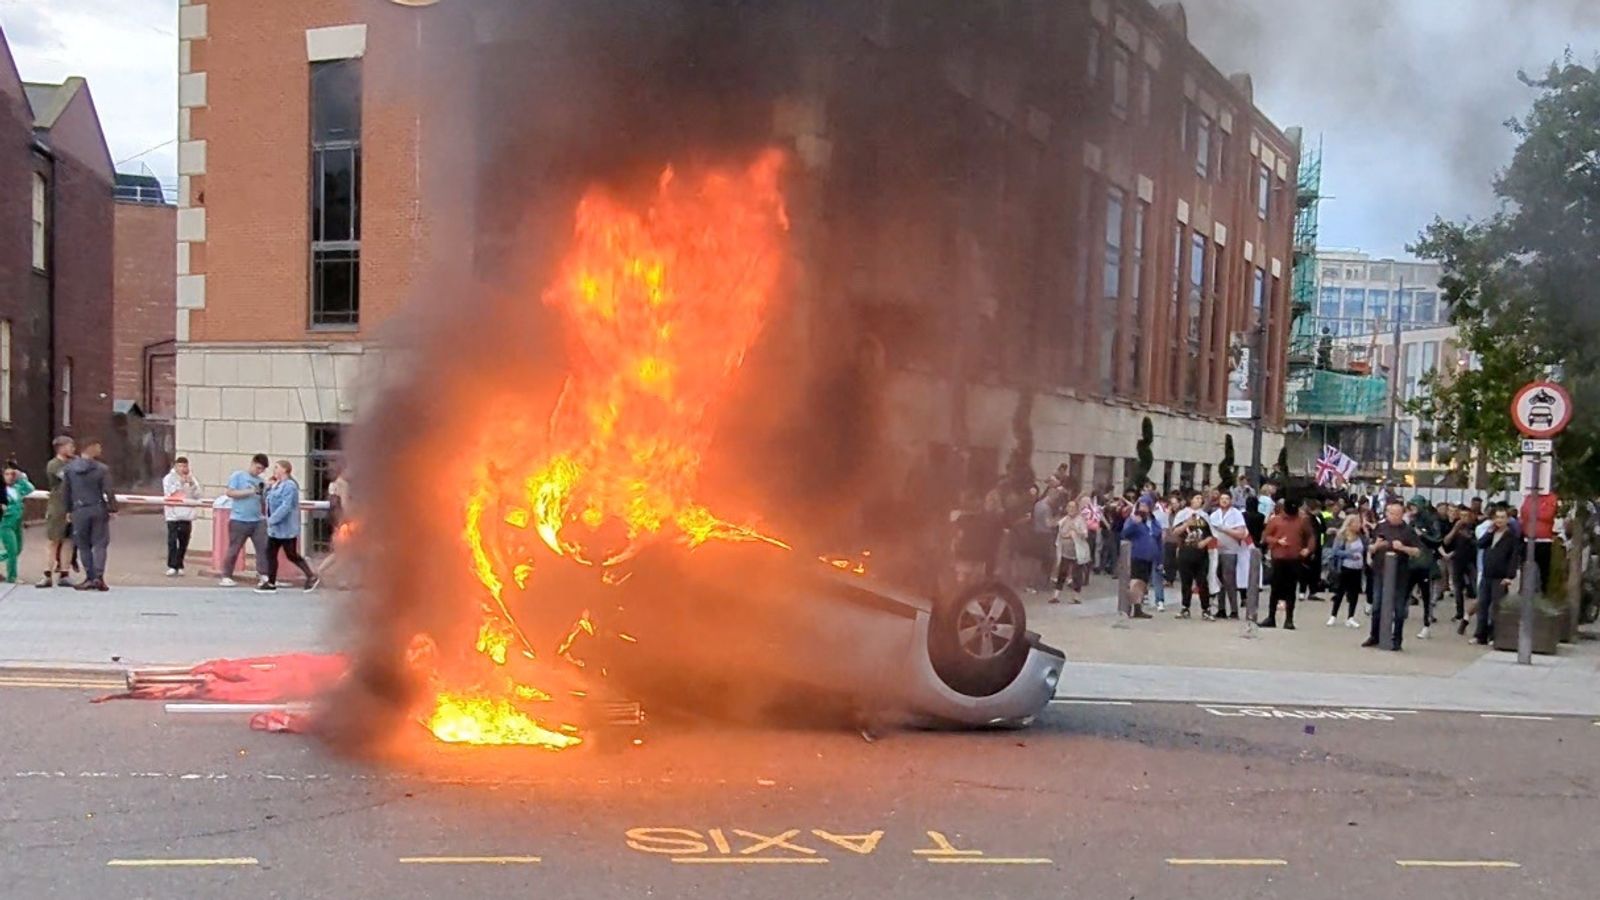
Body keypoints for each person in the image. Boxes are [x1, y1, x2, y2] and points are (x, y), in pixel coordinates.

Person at [1362, 500, 1424, 650]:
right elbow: (1370, 547)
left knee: (1399, 608)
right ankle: (1374, 635)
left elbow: (1417, 552)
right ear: (1387, 513)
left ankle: (1397, 639)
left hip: (1400, 574)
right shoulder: (1380, 527)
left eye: (1398, 514)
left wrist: (1402, 548)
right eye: (1392, 513)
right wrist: (1376, 547)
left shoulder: (1408, 530)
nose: (1395, 516)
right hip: (1380, 571)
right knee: (1376, 605)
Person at [61, 439, 117, 591]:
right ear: (91, 448)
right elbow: (108, 490)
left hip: (79, 510)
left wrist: (67, 510)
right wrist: (112, 508)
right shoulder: (102, 469)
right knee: (100, 543)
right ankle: (99, 577)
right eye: (98, 447)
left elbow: (66, 491)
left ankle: (89, 577)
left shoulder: (69, 469)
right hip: (98, 507)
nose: (100, 450)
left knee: (83, 545)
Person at [258, 460, 319, 593]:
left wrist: (272, 519)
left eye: (276, 467)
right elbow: (267, 500)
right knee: (270, 553)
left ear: (285, 470)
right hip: (275, 529)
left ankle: (311, 576)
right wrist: (267, 488)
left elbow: (286, 506)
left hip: (286, 528)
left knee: (291, 554)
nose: (274, 470)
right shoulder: (277, 485)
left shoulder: (290, 486)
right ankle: (271, 582)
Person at [1259, 499, 1314, 629]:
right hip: (1278, 558)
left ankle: (1289, 619)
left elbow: (1311, 536)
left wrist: (1308, 549)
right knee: (1275, 589)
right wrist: (1277, 541)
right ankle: (1271, 617)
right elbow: (1266, 537)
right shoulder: (1275, 520)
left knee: (1291, 589)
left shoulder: (1302, 520)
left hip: (1294, 559)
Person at [220, 453, 271, 588]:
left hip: (257, 520)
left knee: (263, 548)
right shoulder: (238, 476)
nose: (259, 471)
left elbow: (262, 500)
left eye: (262, 470)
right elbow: (230, 493)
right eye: (258, 468)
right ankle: (226, 575)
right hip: (239, 519)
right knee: (234, 548)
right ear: (253, 463)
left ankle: (263, 574)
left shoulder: (260, 481)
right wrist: (248, 492)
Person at [1475, 507, 1522, 645]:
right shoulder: (1491, 533)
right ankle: (1480, 635)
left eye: (1502, 517)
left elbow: (1514, 557)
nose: (1499, 520)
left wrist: (1509, 576)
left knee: (1497, 607)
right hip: (1487, 574)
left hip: (1500, 577)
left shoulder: (1512, 537)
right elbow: (1480, 544)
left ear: (1507, 520)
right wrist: (1489, 532)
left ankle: (1495, 635)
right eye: (1497, 517)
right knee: (1482, 604)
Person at [37, 436, 76, 588]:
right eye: (70, 446)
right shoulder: (54, 465)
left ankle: (64, 574)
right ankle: (47, 574)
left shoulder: (73, 463)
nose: (73, 449)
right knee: (53, 540)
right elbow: (69, 478)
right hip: (58, 507)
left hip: (72, 507)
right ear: (61, 448)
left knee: (68, 540)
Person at [1170, 492, 1216, 620]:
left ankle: (1206, 609)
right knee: (1186, 582)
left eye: (1201, 499)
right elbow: (1175, 532)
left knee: (1202, 581)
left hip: (1201, 554)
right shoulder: (1182, 514)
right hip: (1186, 551)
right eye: (1196, 498)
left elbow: (1211, 534)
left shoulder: (1204, 516)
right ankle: (1185, 607)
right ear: (1190, 500)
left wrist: (1204, 542)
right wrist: (1186, 524)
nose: (1199, 500)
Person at [1408, 496, 1445, 639]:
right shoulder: (1412, 521)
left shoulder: (1431, 520)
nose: (1412, 509)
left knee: (1426, 595)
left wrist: (1422, 535)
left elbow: (1437, 540)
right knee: (1405, 590)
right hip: (1412, 560)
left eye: (1414, 506)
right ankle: (1398, 615)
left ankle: (1426, 624)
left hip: (1425, 561)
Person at [1209, 491, 1249, 620]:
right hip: (1216, 550)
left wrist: (1225, 529)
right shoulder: (1214, 515)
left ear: (1231, 500)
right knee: (1218, 579)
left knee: (1229, 579)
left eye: (1227, 499)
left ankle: (1234, 609)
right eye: (1222, 499)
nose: (1224, 501)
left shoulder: (1236, 514)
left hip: (1230, 550)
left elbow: (1241, 533)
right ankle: (1221, 608)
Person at [162, 457, 202, 577]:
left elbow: (198, 495)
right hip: (173, 514)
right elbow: (169, 493)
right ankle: (172, 565)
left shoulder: (192, 479)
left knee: (184, 540)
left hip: (187, 514)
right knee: (172, 540)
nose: (183, 469)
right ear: (175, 467)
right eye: (180, 466)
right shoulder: (169, 479)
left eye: (185, 466)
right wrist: (180, 483)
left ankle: (180, 564)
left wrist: (191, 484)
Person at [1120, 499, 1160, 619]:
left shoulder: (1154, 522)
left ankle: (1138, 608)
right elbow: (1124, 534)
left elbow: (1159, 539)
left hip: (1150, 556)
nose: (1143, 508)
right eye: (1141, 506)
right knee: (1135, 581)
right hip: (1137, 554)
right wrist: (1134, 524)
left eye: (1145, 506)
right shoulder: (1134, 520)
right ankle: (1129, 606)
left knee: (1143, 583)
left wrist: (1160, 559)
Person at [1326, 514, 1366, 628]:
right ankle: (1333, 615)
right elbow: (1335, 551)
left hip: (1357, 568)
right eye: (1356, 523)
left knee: (1354, 593)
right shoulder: (1342, 536)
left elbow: (1365, 547)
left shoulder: (1360, 536)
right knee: (1340, 591)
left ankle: (1351, 617)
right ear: (1350, 524)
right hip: (1345, 567)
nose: (1359, 525)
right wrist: (1349, 555)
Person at [1444, 505, 1479, 633]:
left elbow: (1477, 543)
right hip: (1457, 560)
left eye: (1466, 516)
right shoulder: (1455, 527)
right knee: (1458, 587)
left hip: (1471, 561)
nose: (1464, 519)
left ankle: (1475, 609)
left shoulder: (1475, 528)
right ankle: (1459, 612)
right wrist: (1455, 529)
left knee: (1475, 587)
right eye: (1462, 516)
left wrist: (1468, 536)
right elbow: (1446, 541)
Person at [1050, 498, 1091, 604]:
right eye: (1069, 507)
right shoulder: (1065, 519)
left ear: (1077, 509)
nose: (1071, 509)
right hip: (1065, 551)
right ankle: (1055, 596)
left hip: (1077, 552)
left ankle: (1076, 597)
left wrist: (1075, 531)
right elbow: (1058, 528)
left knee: (1077, 574)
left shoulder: (1080, 520)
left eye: (1073, 507)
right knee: (1062, 573)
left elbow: (1085, 535)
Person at [2, 461, 35, 583]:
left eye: (12, 474)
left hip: (17, 522)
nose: (10, 477)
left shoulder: (17, 487)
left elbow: (30, 488)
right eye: (7, 474)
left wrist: (20, 477)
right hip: (6, 523)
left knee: (18, 549)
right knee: (12, 550)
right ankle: (12, 577)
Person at [1519, 489, 1558, 593]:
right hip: (1528, 539)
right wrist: (1538, 511)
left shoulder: (1551, 497)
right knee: (1526, 569)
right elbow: (1524, 513)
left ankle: (1543, 593)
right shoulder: (1529, 497)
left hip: (1544, 540)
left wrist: (1532, 512)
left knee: (1544, 572)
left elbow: (1548, 515)